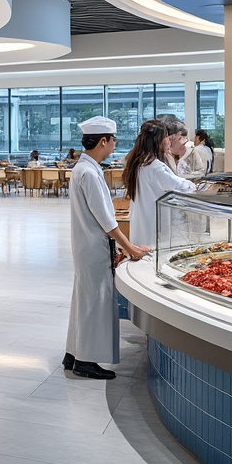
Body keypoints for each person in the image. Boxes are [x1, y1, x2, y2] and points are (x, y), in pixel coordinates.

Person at [64, 116, 153, 380]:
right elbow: (107, 221)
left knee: (82, 300)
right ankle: (85, 361)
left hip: (85, 245)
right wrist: (130, 248)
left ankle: (72, 354)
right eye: (114, 140)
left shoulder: (84, 168)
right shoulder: (89, 173)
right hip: (92, 247)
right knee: (94, 303)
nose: (115, 144)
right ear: (103, 141)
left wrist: (128, 246)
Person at [123, 119, 197, 248]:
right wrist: (194, 186)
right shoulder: (154, 166)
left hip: (143, 225)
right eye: (166, 137)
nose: (168, 141)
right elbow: (177, 185)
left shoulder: (139, 162)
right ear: (158, 140)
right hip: (154, 226)